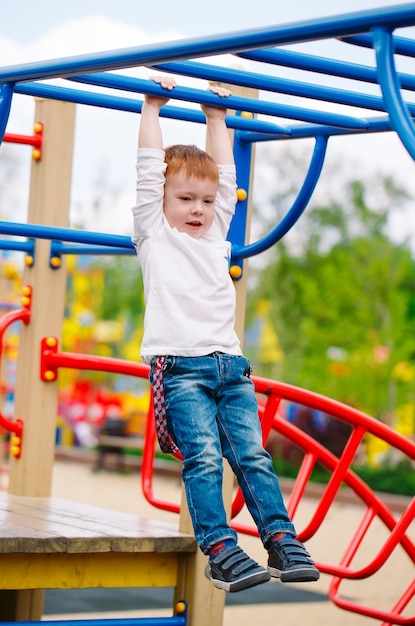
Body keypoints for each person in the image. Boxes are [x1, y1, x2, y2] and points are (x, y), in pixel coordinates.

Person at [131, 74, 319, 593]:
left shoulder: (216, 234)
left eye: (206, 201)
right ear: (165, 201)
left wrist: (218, 119)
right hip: (182, 370)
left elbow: (226, 172)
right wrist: (152, 108)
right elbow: (149, 172)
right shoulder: (153, 232)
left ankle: (280, 539)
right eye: (186, 199)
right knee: (206, 458)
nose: (198, 210)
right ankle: (218, 547)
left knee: (253, 455)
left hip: (231, 367)